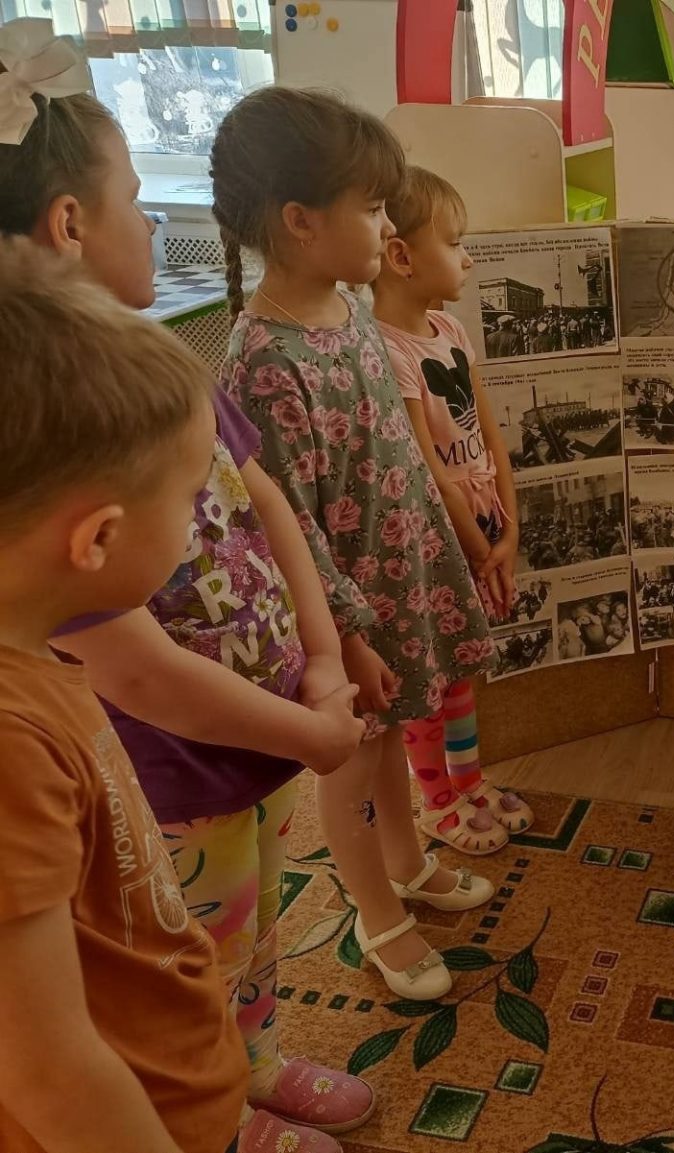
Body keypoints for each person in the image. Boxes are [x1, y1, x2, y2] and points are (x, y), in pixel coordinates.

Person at [0, 35, 372, 1150]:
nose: (157, 222)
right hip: (192, 769)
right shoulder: (66, 466)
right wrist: (310, 724)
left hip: (264, 734)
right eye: (131, 199)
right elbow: (49, 1058)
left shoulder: (154, 377)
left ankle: (242, 1066)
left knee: (235, 931)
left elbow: (262, 502)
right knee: (190, 941)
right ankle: (217, 1107)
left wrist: (319, 658)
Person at [213, 88, 499, 1005]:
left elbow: (397, 455)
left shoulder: (354, 316)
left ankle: (409, 861)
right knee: (354, 759)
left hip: (402, 574)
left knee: (393, 740)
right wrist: (348, 636)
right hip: (342, 612)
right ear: (301, 222)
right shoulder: (262, 358)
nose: (386, 224)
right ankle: (375, 907)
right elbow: (284, 517)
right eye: (370, 208)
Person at [0, 241, 248, 1153]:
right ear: (98, 538)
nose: (200, 517)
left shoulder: (37, 654)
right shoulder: (9, 743)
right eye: (191, 497)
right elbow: (46, 1068)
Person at [372, 166, 534, 856]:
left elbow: (491, 436)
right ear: (402, 256)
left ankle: (467, 781)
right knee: (431, 672)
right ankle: (435, 796)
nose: (468, 256)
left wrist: (510, 529)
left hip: (482, 525)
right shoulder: (387, 349)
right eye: (456, 242)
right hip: (439, 539)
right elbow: (427, 469)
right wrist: (476, 546)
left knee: (464, 665)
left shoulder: (451, 330)